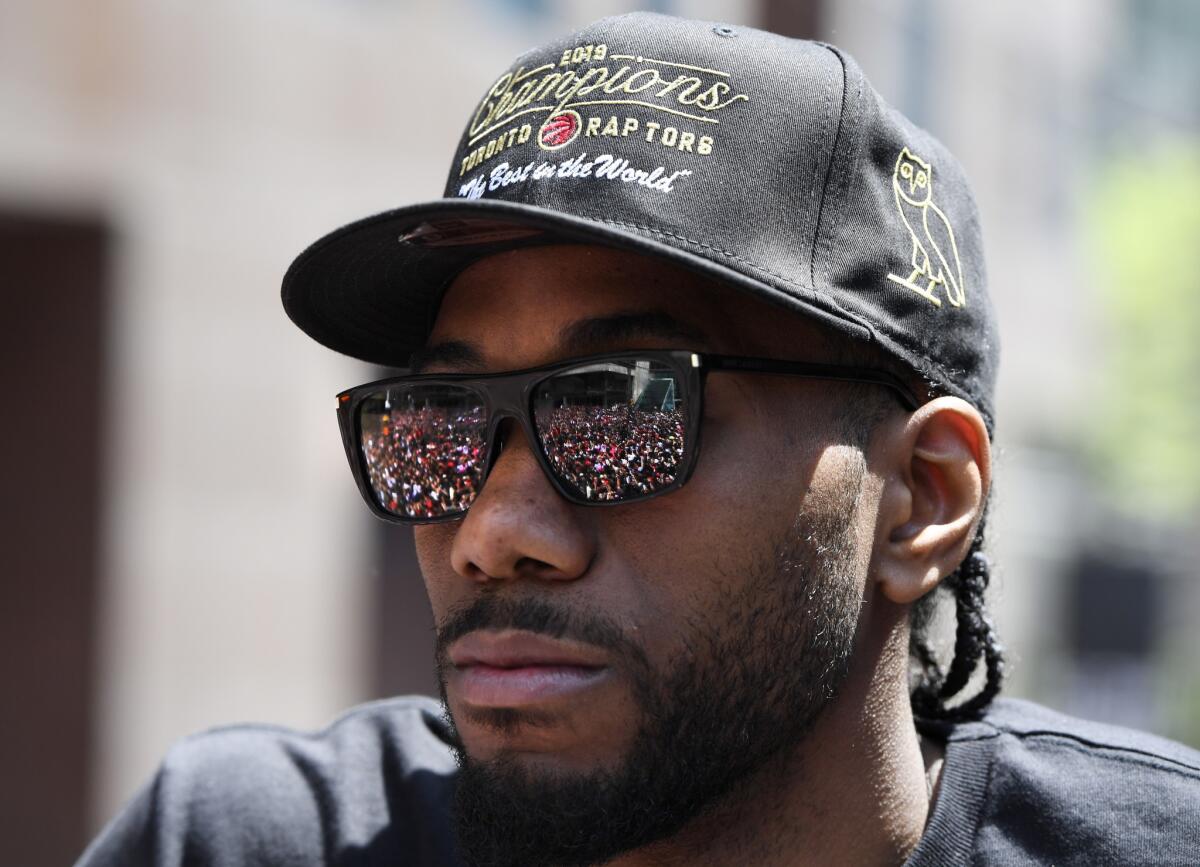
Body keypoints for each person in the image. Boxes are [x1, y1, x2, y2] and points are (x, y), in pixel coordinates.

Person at [78, 12, 1200, 867]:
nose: (494, 533)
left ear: (921, 499)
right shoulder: (244, 842)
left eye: (621, 412)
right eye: (441, 424)